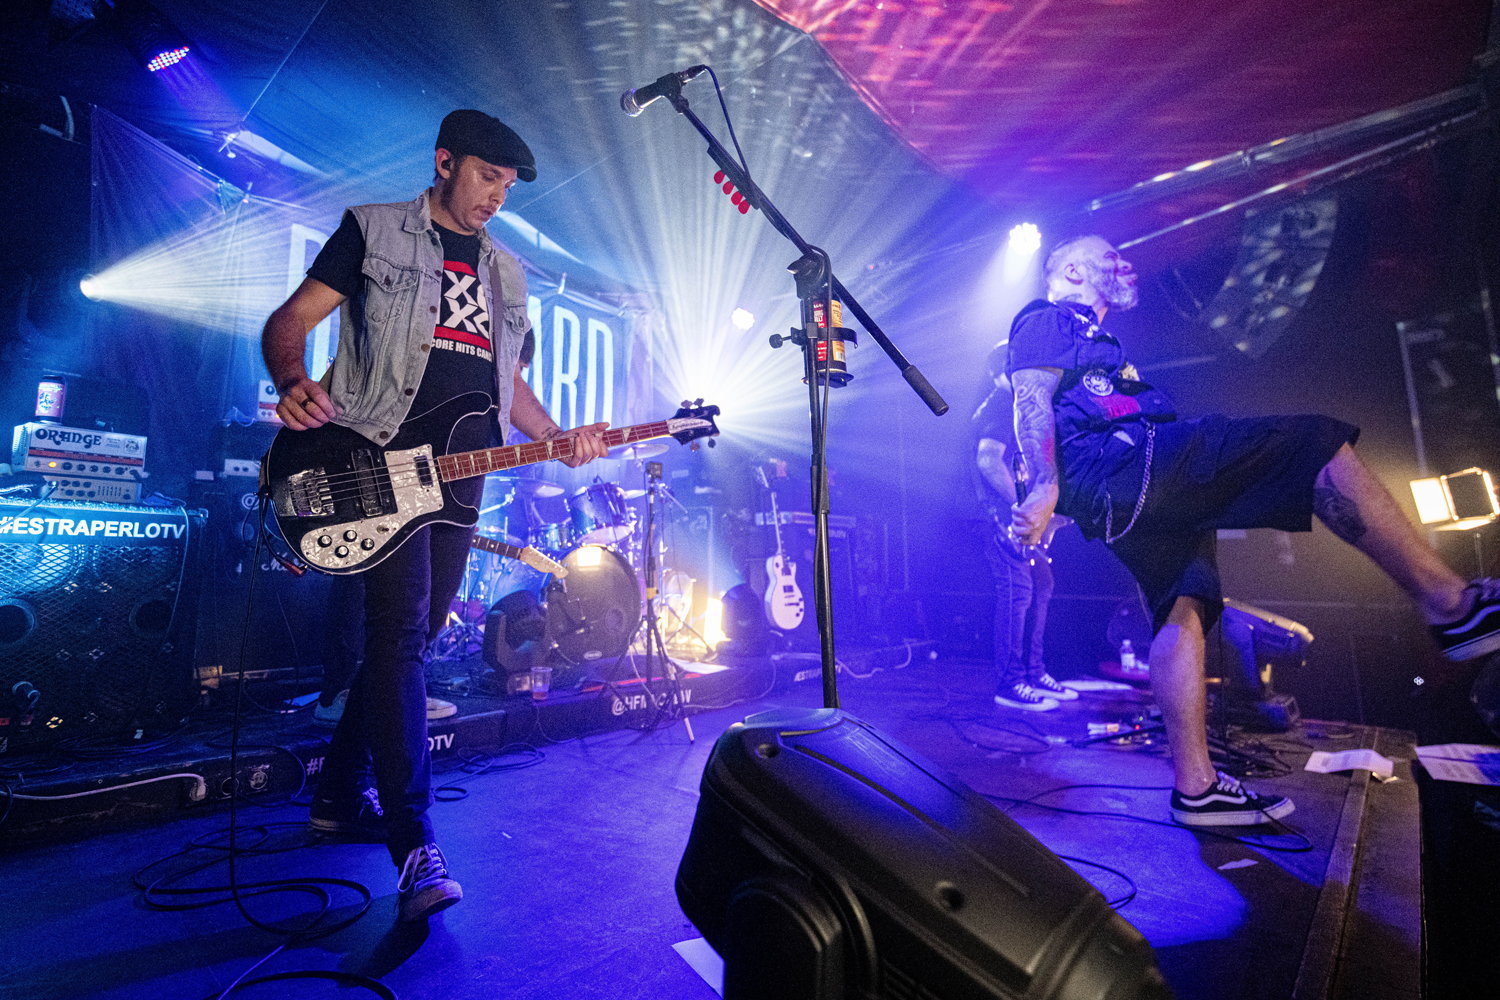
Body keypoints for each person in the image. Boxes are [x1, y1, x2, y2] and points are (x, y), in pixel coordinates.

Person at [1007, 234, 1500, 827]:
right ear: (1072, 270)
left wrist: (1066, 493)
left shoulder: (1096, 337)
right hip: (1128, 462)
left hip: (1124, 477)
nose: (1126, 263)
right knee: (1314, 443)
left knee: (1182, 601)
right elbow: (1029, 399)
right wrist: (1046, 486)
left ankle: (1197, 789)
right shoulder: (1047, 317)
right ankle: (1451, 605)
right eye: (1110, 256)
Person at [262, 109, 608, 920]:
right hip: (374, 463)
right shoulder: (375, 231)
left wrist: (556, 438)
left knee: (409, 641)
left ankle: (338, 796)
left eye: (508, 186)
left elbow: (507, 386)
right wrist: (293, 380)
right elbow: (290, 323)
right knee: (397, 636)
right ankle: (414, 841)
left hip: (459, 480)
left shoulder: (509, 274)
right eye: (487, 176)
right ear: (446, 161)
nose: (496, 196)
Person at [973, 360, 1075, 710]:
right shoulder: (1002, 404)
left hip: (1016, 519)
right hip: (1001, 520)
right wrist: (1025, 508)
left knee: (1041, 586)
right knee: (1017, 594)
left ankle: (1034, 673)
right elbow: (988, 460)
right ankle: (1010, 684)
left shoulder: (1012, 402)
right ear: (999, 373)